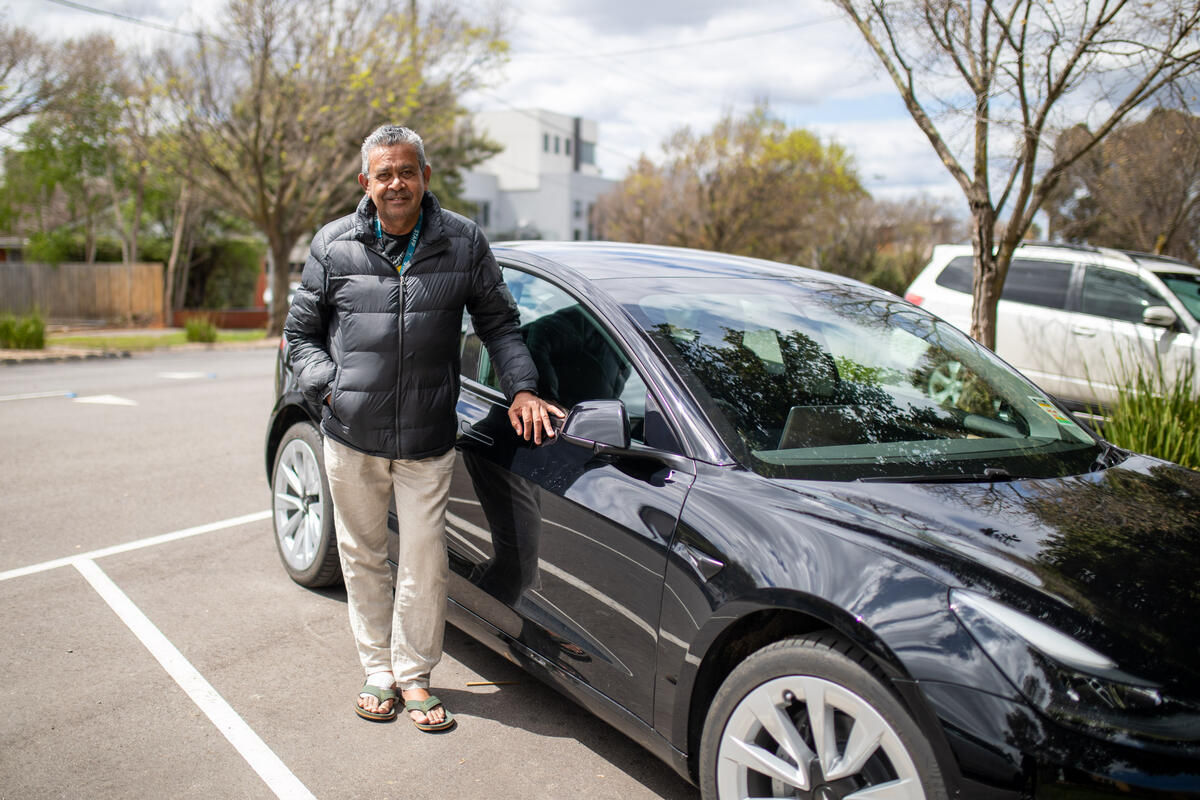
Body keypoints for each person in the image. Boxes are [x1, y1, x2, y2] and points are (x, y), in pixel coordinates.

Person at [284, 124, 563, 730]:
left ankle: (414, 677)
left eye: (406, 171)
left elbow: (500, 324)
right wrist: (331, 389)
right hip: (351, 435)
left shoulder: (463, 242)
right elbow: (299, 335)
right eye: (384, 174)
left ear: (425, 177)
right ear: (366, 182)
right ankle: (376, 673)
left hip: (428, 439)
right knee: (361, 556)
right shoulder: (334, 245)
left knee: (424, 560)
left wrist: (521, 387)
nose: (396, 184)